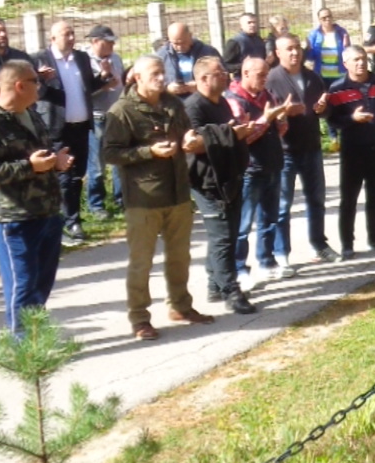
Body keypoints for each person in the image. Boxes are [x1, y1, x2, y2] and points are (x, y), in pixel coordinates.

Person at [101, 55, 213, 340]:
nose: (161, 78)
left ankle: (180, 306)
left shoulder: (172, 103)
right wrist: (149, 152)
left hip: (178, 192)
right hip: (144, 198)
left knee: (180, 257)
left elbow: (186, 130)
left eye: (162, 72)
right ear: (137, 78)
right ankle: (140, 318)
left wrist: (189, 140)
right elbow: (110, 153)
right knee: (142, 262)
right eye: (154, 74)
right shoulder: (123, 110)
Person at [0, 59, 67, 334]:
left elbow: (39, 155)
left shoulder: (30, 113)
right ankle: (22, 343)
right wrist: (29, 167)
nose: (41, 86)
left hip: (46, 210)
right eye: (36, 81)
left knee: (42, 282)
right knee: (22, 283)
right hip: (14, 216)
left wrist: (55, 162)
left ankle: (36, 336)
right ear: (20, 85)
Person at [184, 56, 265, 314]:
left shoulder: (221, 102)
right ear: (203, 78)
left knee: (227, 233)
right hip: (207, 182)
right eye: (219, 72)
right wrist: (232, 133)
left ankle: (214, 285)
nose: (226, 76)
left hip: (229, 177)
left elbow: (225, 131)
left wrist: (238, 131)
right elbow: (194, 144)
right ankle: (231, 291)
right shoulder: (193, 107)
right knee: (222, 237)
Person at [266, 34, 338, 267]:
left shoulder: (312, 77)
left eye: (297, 47)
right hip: (284, 151)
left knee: (316, 200)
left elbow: (325, 110)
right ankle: (281, 253)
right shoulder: (271, 79)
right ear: (278, 53)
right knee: (283, 206)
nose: (295, 52)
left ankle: (319, 244)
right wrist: (284, 113)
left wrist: (323, 109)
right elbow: (263, 117)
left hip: (311, 147)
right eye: (289, 48)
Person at [35, 20, 104, 245]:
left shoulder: (81, 58)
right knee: (62, 177)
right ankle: (68, 221)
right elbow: (37, 93)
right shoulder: (40, 59)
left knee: (77, 175)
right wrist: (40, 79)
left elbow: (87, 87)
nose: (72, 38)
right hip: (57, 128)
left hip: (81, 126)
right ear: (53, 38)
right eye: (67, 34)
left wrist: (103, 77)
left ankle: (73, 218)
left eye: (73, 33)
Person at [324, 47, 375, 255]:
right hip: (353, 150)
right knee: (349, 198)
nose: (361, 63)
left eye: (363, 58)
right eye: (356, 60)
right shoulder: (337, 88)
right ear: (345, 64)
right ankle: (347, 243)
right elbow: (332, 121)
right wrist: (352, 119)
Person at [231, 56, 291, 284]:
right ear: (245, 73)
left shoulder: (268, 95)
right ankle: (239, 269)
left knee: (270, 219)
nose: (265, 79)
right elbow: (243, 138)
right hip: (250, 170)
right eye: (260, 75)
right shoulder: (234, 100)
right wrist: (266, 119)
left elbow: (280, 131)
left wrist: (281, 118)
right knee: (243, 224)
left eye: (266, 74)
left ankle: (267, 262)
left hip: (273, 165)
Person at [83, 25, 127, 216]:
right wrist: (103, 84)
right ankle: (96, 205)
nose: (111, 46)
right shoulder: (84, 61)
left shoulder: (116, 58)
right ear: (95, 41)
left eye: (112, 42)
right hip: (97, 118)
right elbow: (83, 92)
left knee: (119, 160)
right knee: (97, 165)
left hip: (116, 116)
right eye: (107, 42)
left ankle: (121, 200)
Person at [158, 22, 220, 97]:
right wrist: (167, 88)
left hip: (203, 98)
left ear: (190, 36)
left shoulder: (208, 52)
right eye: (175, 44)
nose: (180, 47)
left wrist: (201, 85)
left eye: (183, 42)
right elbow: (153, 81)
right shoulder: (162, 56)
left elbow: (223, 79)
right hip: (173, 100)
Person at [305, 7, 351, 87]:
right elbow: (310, 58)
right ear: (319, 20)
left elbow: (347, 54)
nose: (327, 19)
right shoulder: (314, 34)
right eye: (324, 18)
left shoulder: (341, 32)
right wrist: (308, 49)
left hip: (340, 75)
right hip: (321, 76)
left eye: (329, 16)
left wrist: (346, 46)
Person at [222, 12, 267, 78]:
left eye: (254, 22)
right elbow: (225, 65)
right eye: (249, 23)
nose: (252, 25)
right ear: (241, 25)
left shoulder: (259, 40)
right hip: (242, 80)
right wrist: (244, 65)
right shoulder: (235, 42)